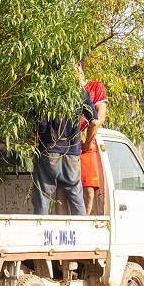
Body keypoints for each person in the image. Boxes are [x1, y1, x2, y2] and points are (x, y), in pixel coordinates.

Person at [33, 83, 99, 216]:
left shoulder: (48, 91)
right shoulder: (81, 92)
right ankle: (81, 231)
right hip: (72, 152)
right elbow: (94, 122)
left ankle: (40, 233)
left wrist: (39, 139)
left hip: (49, 150)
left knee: (43, 195)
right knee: (76, 195)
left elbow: (42, 125)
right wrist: (87, 143)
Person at [75, 59, 108, 215]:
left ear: (79, 65)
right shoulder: (64, 89)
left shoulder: (96, 86)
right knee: (64, 190)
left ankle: (85, 222)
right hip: (69, 143)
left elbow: (100, 118)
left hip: (88, 144)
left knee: (88, 191)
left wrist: (88, 140)